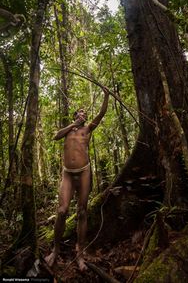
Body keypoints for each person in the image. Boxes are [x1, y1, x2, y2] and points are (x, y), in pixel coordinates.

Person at [45, 86, 109, 271]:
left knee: (82, 211)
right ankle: (55, 250)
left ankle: (80, 252)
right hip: (67, 173)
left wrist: (105, 95)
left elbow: (102, 113)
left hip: (84, 172)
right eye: (80, 113)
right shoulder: (68, 130)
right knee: (62, 210)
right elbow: (55, 136)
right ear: (75, 116)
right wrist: (72, 125)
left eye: (85, 113)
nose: (83, 115)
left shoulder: (88, 130)